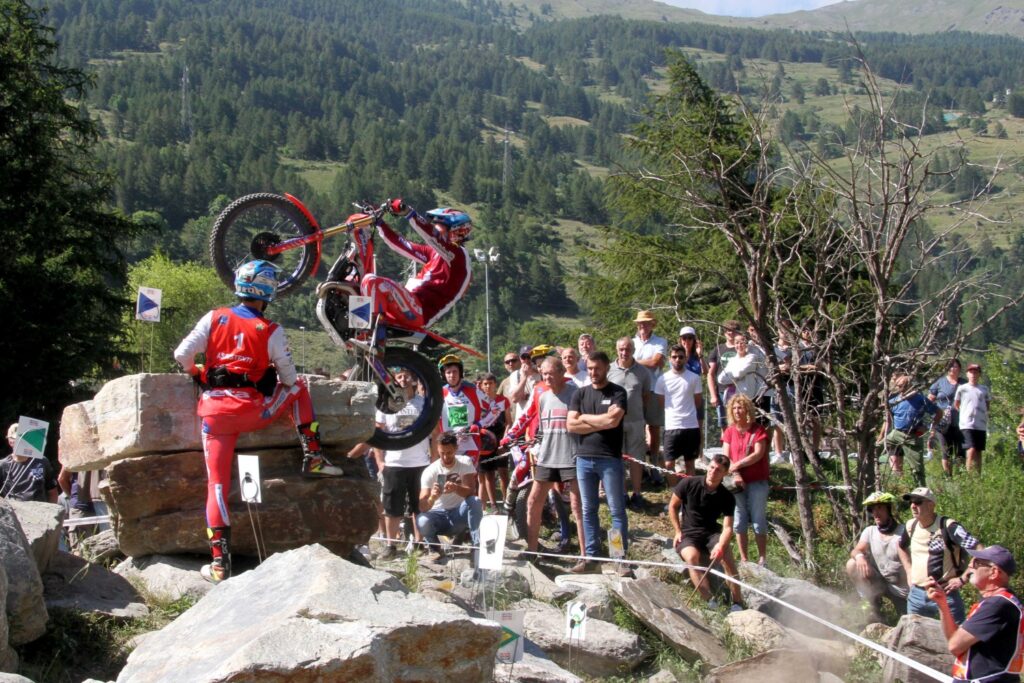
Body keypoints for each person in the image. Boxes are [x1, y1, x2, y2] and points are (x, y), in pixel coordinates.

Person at [173, 260, 345, 584]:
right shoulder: (271, 330)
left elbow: (182, 354)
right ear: (267, 290)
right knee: (298, 390)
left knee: (217, 487)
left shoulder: (214, 317)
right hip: (253, 412)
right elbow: (290, 379)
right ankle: (314, 457)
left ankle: (219, 565)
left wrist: (198, 373)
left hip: (212, 415)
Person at [363, 199, 472, 332]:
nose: (435, 228)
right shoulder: (436, 253)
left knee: (373, 282)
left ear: (455, 231)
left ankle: (372, 335)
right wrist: (379, 223)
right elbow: (402, 245)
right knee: (358, 285)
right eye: (435, 225)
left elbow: (432, 236)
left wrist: (409, 213)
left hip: (420, 312)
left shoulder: (459, 256)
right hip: (410, 304)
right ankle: (357, 332)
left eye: (439, 226)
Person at [567, 351, 630, 576]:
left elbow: (613, 421)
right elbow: (571, 425)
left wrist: (585, 419)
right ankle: (591, 557)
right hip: (584, 458)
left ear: (606, 368)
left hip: (609, 458)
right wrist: (599, 422)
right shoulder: (580, 394)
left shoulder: (618, 392)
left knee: (616, 510)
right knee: (588, 509)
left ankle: (619, 558)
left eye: (597, 368)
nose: (593, 373)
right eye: (590, 368)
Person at [928, 545, 1022, 683]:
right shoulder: (996, 602)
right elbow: (955, 641)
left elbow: (955, 645)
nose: (970, 565)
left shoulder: (997, 605)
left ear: (994, 572)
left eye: (977, 562)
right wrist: (942, 603)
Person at [667, 453, 745, 610]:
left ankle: (737, 602)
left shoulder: (727, 496)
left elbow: (728, 527)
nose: (713, 471)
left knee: (728, 560)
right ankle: (710, 600)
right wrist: (677, 531)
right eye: (711, 467)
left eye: (718, 470)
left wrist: (720, 545)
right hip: (688, 533)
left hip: (711, 533)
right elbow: (672, 506)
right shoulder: (688, 483)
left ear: (725, 473)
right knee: (692, 557)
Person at [524, 357, 585, 558]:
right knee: (533, 501)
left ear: (561, 373)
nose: (547, 377)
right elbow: (542, 429)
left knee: (578, 506)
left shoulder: (575, 395)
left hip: (571, 456)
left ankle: (587, 556)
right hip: (547, 457)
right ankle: (531, 551)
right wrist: (534, 446)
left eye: (550, 372)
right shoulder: (542, 397)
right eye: (544, 373)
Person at [370, 369, 432, 560]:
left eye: (407, 375)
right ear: (394, 381)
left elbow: (436, 432)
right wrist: (380, 462)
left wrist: (434, 461)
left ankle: (419, 543)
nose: (403, 379)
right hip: (394, 462)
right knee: (391, 507)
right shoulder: (385, 404)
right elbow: (377, 434)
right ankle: (391, 545)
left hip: (420, 462)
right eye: (399, 376)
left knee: (419, 505)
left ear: (414, 380)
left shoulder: (424, 404)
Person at [897, 487, 979, 624]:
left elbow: (979, 550)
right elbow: (901, 547)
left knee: (956, 640)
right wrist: (908, 570)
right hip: (916, 594)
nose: (912, 506)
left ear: (931, 505)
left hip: (945, 593)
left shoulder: (949, 526)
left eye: (918, 502)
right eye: (911, 502)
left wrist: (963, 579)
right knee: (912, 638)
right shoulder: (911, 525)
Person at [417, 431, 482, 561]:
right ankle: (435, 548)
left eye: (449, 453)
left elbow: (471, 491)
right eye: (442, 453)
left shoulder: (465, 462)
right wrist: (432, 498)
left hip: (458, 513)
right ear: (437, 450)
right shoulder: (430, 471)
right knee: (422, 520)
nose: (446, 457)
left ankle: (477, 546)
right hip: (438, 515)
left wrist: (456, 488)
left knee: (475, 501)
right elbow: (422, 507)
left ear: (456, 449)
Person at [721, 394, 770, 566]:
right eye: (734, 408)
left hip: (757, 481)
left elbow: (758, 454)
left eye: (740, 407)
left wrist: (738, 464)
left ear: (747, 409)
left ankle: (762, 557)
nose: (737, 411)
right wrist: (735, 473)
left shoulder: (758, 430)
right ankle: (744, 558)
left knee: (758, 518)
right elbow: (726, 456)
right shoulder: (729, 431)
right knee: (739, 518)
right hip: (736, 482)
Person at [845, 491, 909, 621]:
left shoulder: (904, 532)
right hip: (879, 582)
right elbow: (856, 550)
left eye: (879, 508)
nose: (875, 513)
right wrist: (860, 557)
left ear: (889, 509)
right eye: (872, 509)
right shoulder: (870, 531)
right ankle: (871, 604)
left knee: (907, 621)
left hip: (902, 589)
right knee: (852, 563)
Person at [608, 337, 656, 509]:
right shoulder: (609, 370)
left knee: (637, 459)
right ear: (617, 350)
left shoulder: (643, 372)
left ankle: (637, 493)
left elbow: (646, 396)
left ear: (633, 350)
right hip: (615, 423)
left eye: (628, 349)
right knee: (617, 458)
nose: (624, 352)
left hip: (636, 421)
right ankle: (621, 493)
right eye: (621, 349)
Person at [438, 354, 499, 462]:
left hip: (470, 445)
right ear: (444, 375)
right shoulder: (439, 394)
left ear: (460, 373)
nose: (452, 375)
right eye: (448, 372)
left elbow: (496, 409)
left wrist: (479, 424)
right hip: (447, 446)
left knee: (468, 478)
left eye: (455, 371)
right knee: (447, 478)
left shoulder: (473, 391)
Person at [657, 344, 704, 478]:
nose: (677, 360)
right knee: (668, 464)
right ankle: (674, 492)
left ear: (686, 358)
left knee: (690, 464)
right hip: (672, 426)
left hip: (691, 426)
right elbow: (661, 402)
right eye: (674, 357)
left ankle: (690, 493)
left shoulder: (694, 378)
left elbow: (698, 402)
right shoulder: (662, 379)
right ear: (670, 359)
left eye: (681, 357)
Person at [883, 374, 937, 487]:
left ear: (909, 386)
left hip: (912, 435)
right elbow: (887, 419)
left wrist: (927, 427)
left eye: (902, 386)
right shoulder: (894, 400)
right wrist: (881, 437)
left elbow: (938, 413)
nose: (899, 388)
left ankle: (921, 491)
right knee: (875, 447)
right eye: (897, 386)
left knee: (917, 469)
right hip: (896, 433)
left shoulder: (920, 399)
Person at [476, 372, 510, 513]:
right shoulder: (479, 402)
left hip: (500, 439)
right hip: (484, 441)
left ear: (496, 384)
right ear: (482, 386)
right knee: (487, 475)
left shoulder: (503, 400)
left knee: (503, 473)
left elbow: (509, 422)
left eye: (491, 383)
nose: (488, 386)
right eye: (485, 384)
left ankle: (508, 504)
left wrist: (504, 440)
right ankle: (493, 506)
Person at [928, 358, 966, 477]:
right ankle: (948, 477)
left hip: (961, 421)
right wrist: (935, 414)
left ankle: (960, 476)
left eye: (955, 366)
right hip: (943, 422)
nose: (952, 369)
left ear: (959, 368)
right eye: (950, 366)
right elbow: (930, 399)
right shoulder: (939, 382)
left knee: (960, 451)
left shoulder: (964, 383)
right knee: (946, 451)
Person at [0, 423, 57, 502]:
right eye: (19, 439)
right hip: (13, 512)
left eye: (25, 439)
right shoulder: (3, 465)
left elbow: (52, 491)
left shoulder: (42, 461)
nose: (22, 442)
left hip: (40, 511)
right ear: (10, 442)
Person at [706, 320, 742, 439]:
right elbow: (710, 374)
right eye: (727, 330)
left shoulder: (742, 348)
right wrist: (713, 395)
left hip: (740, 390)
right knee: (724, 424)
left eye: (733, 331)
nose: (730, 333)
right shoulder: (718, 349)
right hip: (722, 392)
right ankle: (726, 453)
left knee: (739, 422)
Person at [954, 363, 991, 474]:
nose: (973, 374)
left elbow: (987, 404)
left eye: (976, 372)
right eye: (971, 372)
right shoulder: (962, 388)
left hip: (981, 424)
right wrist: (965, 413)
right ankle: (969, 476)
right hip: (967, 424)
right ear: (967, 374)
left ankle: (977, 476)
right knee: (971, 449)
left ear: (979, 374)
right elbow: (957, 404)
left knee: (979, 450)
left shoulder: (984, 389)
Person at [632, 310, 668, 380]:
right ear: (637, 325)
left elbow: (654, 362)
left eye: (646, 323)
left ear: (652, 325)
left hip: (652, 386)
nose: (642, 325)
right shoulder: (632, 342)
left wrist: (632, 362)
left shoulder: (660, 342)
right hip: (635, 385)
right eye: (640, 323)